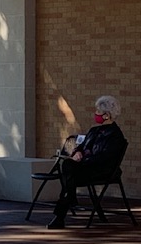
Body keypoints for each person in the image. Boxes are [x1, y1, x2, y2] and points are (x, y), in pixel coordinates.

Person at [47, 95, 127, 229]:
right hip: (84, 167)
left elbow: (104, 158)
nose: (95, 114)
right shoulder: (94, 131)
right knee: (68, 168)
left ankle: (61, 214)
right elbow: (82, 146)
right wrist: (77, 152)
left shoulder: (115, 136)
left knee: (68, 176)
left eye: (98, 112)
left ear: (107, 115)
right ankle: (68, 202)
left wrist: (84, 160)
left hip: (100, 170)